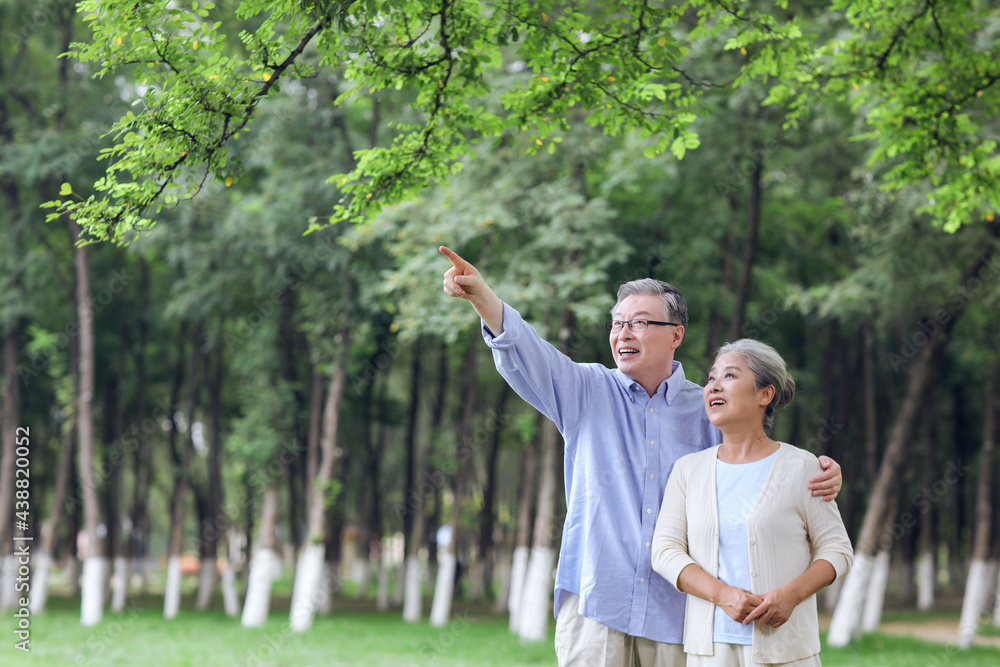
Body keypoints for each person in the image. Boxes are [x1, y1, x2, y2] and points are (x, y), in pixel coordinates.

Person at [440, 246, 843, 667]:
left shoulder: (707, 408)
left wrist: (820, 472)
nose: (623, 333)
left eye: (639, 323)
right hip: (597, 602)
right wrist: (483, 297)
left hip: (679, 610)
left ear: (676, 334)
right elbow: (528, 353)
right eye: (617, 324)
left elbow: (757, 461)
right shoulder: (585, 392)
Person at [651, 339, 853, 667]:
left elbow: (837, 551)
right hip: (710, 651)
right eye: (711, 378)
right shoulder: (689, 470)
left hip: (787, 651)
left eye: (729, 376)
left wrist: (792, 595)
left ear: (764, 394)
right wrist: (722, 595)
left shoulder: (803, 468)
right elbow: (665, 551)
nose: (714, 385)